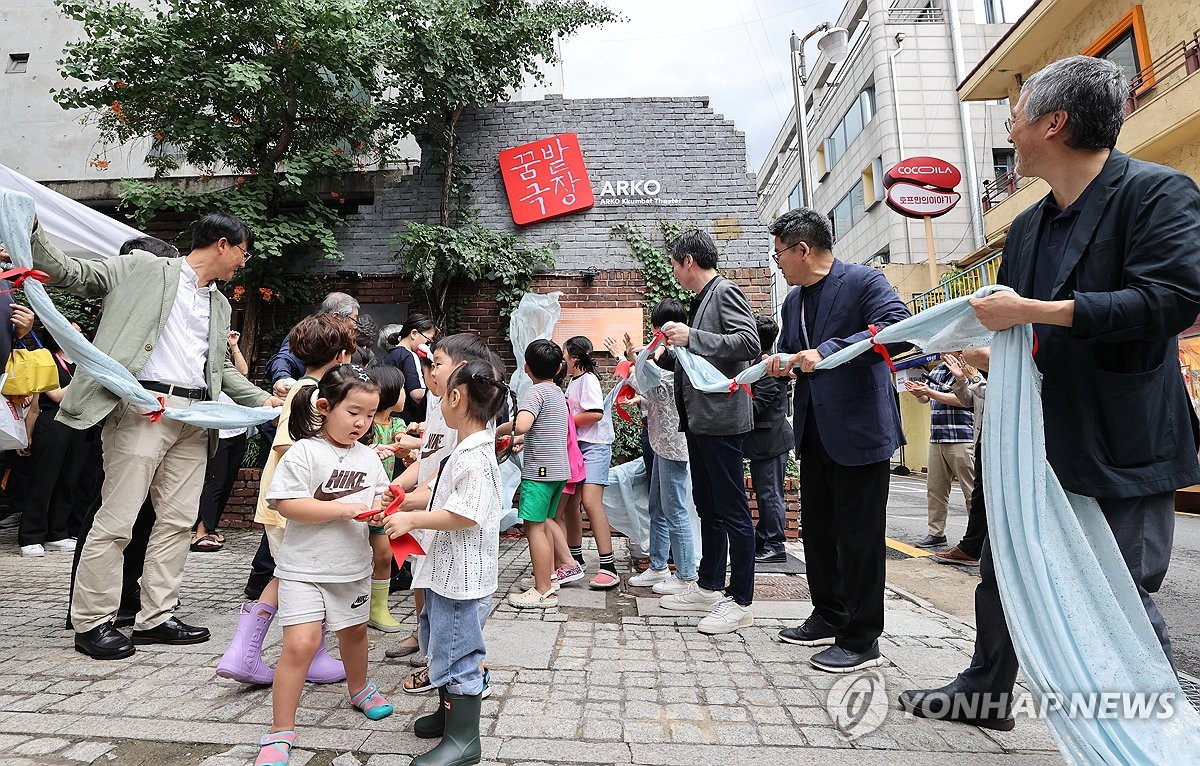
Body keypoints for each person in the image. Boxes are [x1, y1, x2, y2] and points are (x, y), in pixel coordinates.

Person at [900, 55, 1200, 730]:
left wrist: (1036, 313)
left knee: (1116, 593)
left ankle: (1159, 734)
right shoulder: (1032, 223)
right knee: (1004, 571)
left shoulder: (1157, 193)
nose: (1011, 124)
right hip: (1034, 430)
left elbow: (1171, 301)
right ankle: (984, 693)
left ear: (1053, 123)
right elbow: (1009, 315)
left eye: (1017, 111)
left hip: (1125, 435)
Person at [28, 212, 281, 660]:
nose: (244, 262)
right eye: (244, 252)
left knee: (179, 521)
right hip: (140, 406)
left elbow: (218, 369)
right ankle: (91, 622)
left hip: (197, 415)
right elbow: (74, 273)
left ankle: (156, 616)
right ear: (223, 244)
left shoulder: (220, 304)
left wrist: (264, 400)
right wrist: (28, 227)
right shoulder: (143, 267)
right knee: (117, 520)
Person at [766, 208, 910, 672]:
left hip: (860, 430)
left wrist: (825, 352)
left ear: (802, 249)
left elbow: (897, 332)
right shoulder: (793, 302)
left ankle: (862, 637)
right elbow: (794, 350)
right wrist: (782, 361)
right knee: (819, 530)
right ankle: (828, 612)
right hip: (813, 431)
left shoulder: (864, 282)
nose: (778, 263)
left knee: (860, 537)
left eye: (779, 254)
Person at [254, 364, 394, 765]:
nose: (362, 423)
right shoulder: (304, 452)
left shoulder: (368, 457)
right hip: (302, 571)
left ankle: (361, 688)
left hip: (352, 569)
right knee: (300, 645)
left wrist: (385, 506)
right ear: (324, 406)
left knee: (354, 637)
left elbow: (379, 498)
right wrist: (343, 510)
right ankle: (281, 730)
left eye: (369, 415)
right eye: (353, 412)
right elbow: (287, 504)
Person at [218, 312, 357, 685]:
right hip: (295, 504)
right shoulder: (315, 395)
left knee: (287, 575)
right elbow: (288, 445)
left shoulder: (299, 387)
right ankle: (273, 653)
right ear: (343, 355)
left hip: (284, 500)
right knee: (302, 578)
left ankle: (253, 651)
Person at [382, 359, 509, 766]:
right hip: (447, 571)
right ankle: (447, 714)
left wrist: (411, 518)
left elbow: (465, 512)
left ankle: (464, 742)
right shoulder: (466, 448)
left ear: (456, 398)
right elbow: (440, 495)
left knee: (457, 651)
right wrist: (406, 500)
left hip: (462, 578)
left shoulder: (474, 455)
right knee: (441, 641)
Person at [658, 229, 762, 635]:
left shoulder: (724, 292)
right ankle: (708, 584)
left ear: (688, 260)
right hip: (702, 421)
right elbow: (706, 359)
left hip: (721, 422)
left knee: (732, 509)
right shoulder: (702, 299)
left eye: (674, 262)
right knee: (708, 507)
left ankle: (741, 600)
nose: (674, 270)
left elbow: (748, 342)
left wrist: (692, 337)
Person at [626, 299, 699, 595]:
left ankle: (685, 574)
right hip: (661, 441)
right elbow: (654, 394)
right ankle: (658, 567)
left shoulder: (679, 355)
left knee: (675, 508)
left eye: (656, 327)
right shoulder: (666, 353)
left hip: (673, 444)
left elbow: (657, 389)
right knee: (658, 506)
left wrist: (635, 360)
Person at [505, 339, 572, 609]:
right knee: (543, 523)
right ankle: (550, 578)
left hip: (539, 472)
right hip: (558, 470)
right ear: (558, 367)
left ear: (526, 367)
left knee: (534, 528)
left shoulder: (535, 392)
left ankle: (543, 589)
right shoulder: (557, 391)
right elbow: (542, 428)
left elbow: (522, 424)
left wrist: (505, 432)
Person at [13, 320, 83, 557]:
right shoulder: (47, 359)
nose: (79, 333)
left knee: (69, 481)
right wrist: (27, 434)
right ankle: (30, 536)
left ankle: (58, 533)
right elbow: (52, 397)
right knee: (44, 481)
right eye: (73, 330)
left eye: (80, 330)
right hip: (53, 423)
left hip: (79, 424)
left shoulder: (82, 362)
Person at [560, 336, 620, 590]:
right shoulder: (574, 381)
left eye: (564, 356)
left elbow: (595, 414)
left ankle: (608, 566)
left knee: (590, 501)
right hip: (578, 446)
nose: (562, 361)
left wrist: (565, 421)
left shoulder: (589, 380)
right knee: (572, 501)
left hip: (595, 446)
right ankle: (574, 558)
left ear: (574, 358)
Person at [190, 330, 254, 553]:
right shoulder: (204, 359)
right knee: (215, 482)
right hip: (217, 430)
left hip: (236, 428)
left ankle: (211, 526)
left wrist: (234, 345)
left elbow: (243, 372)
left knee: (227, 482)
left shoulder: (226, 360)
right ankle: (199, 533)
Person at [904, 358, 976, 549]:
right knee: (935, 491)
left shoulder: (969, 368)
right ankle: (936, 533)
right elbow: (925, 399)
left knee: (971, 491)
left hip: (962, 437)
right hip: (937, 438)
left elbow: (965, 400)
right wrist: (918, 392)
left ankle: (977, 536)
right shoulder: (936, 370)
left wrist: (930, 392)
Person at [933, 350, 989, 567]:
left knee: (979, 497)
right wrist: (960, 378)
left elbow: (1000, 394)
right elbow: (969, 401)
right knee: (980, 497)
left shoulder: (1002, 362)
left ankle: (973, 548)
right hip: (983, 439)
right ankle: (971, 548)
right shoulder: (972, 370)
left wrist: (973, 377)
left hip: (999, 441)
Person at [745, 315, 793, 565]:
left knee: (770, 494)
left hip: (771, 441)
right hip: (764, 442)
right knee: (765, 492)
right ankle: (764, 538)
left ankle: (775, 544)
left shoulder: (767, 367)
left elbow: (757, 406)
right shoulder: (759, 363)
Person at [364, 363, 407, 632]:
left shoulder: (398, 424)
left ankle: (378, 606)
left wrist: (408, 445)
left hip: (383, 501)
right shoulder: (364, 424)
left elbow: (403, 446)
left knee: (383, 554)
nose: (406, 392)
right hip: (359, 500)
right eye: (401, 387)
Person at [381, 314, 438, 426]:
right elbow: (417, 394)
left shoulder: (390, 355)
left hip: (387, 417)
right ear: (414, 333)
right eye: (428, 341)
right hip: (405, 420)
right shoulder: (410, 355)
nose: (427, 345)